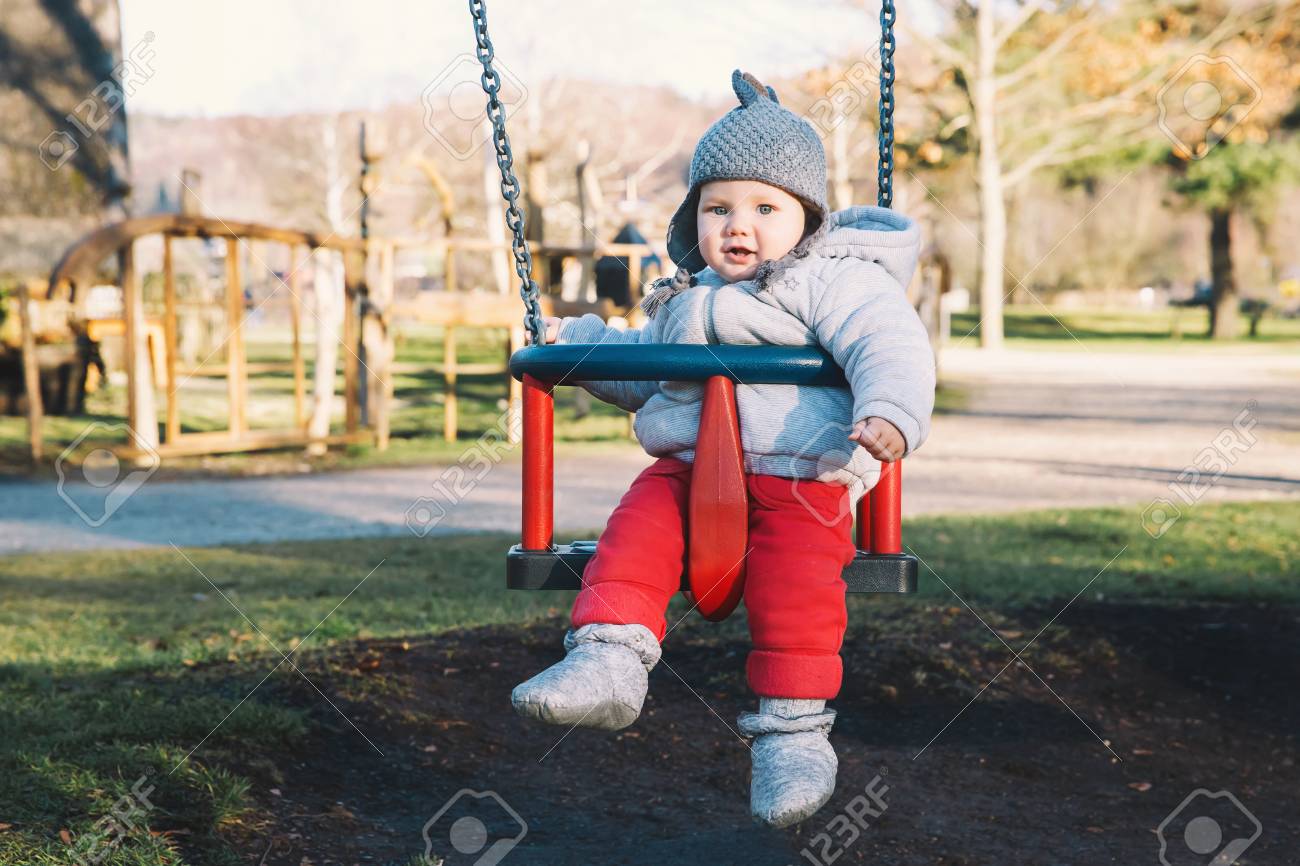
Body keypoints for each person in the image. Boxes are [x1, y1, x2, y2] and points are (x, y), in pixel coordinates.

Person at [511, 70, 935, 829]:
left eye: (765, 207)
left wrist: (890, 413)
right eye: (718, 208)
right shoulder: (686, 297)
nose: (738, 224)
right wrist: (578, 345)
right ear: (695, 219)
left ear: (805, 218)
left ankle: (794, 733)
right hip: (688, 473)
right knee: (635, 528)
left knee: (797, 586)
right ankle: (608, 660)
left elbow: (889, 343)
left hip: (800, 475)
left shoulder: (831, 282)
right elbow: (646, 378)